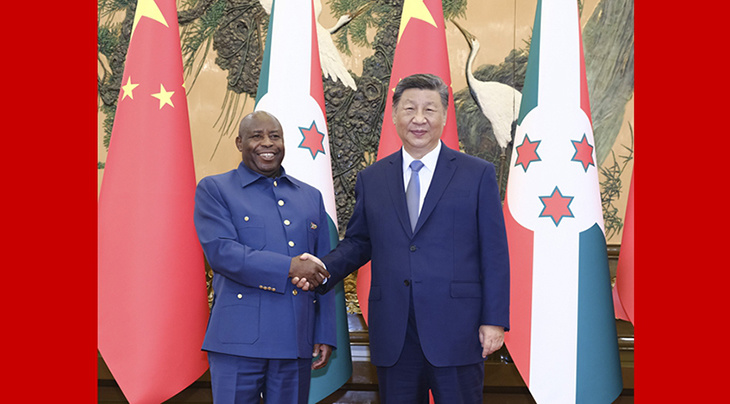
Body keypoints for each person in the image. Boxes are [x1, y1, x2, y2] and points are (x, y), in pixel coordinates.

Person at [298, 73, 510, 403]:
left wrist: (494, 321)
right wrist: (320, 269)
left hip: (458, 329)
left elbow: (494, 252)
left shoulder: (477, 174)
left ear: (444, 116)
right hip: (395, 330)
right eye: (409, 108)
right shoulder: (372, 178)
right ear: (395, 115)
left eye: (429, 109)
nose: (419, 119)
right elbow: (359, 242)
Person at [194, 110, 335, 403]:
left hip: (295, 339)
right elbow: (222, 253)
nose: (267, 143)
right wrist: (289, 266)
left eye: (275, 136)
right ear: (239, 142)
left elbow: (323, 269)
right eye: (256, 136)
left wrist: (324, 332)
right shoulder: (215, 189)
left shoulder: (310, 196)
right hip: (237, 341)